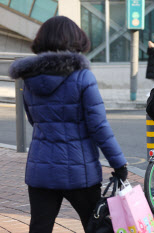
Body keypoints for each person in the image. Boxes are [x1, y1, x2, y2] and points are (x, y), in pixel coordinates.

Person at [8, 16, 128, 233]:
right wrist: (119, 164)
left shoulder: (28, 79)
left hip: (41, 170)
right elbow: (99, 127)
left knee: (39, 227)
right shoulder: (82, 77)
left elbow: (33, 120)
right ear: (76, 40)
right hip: (79, 170)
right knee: (96, 225)